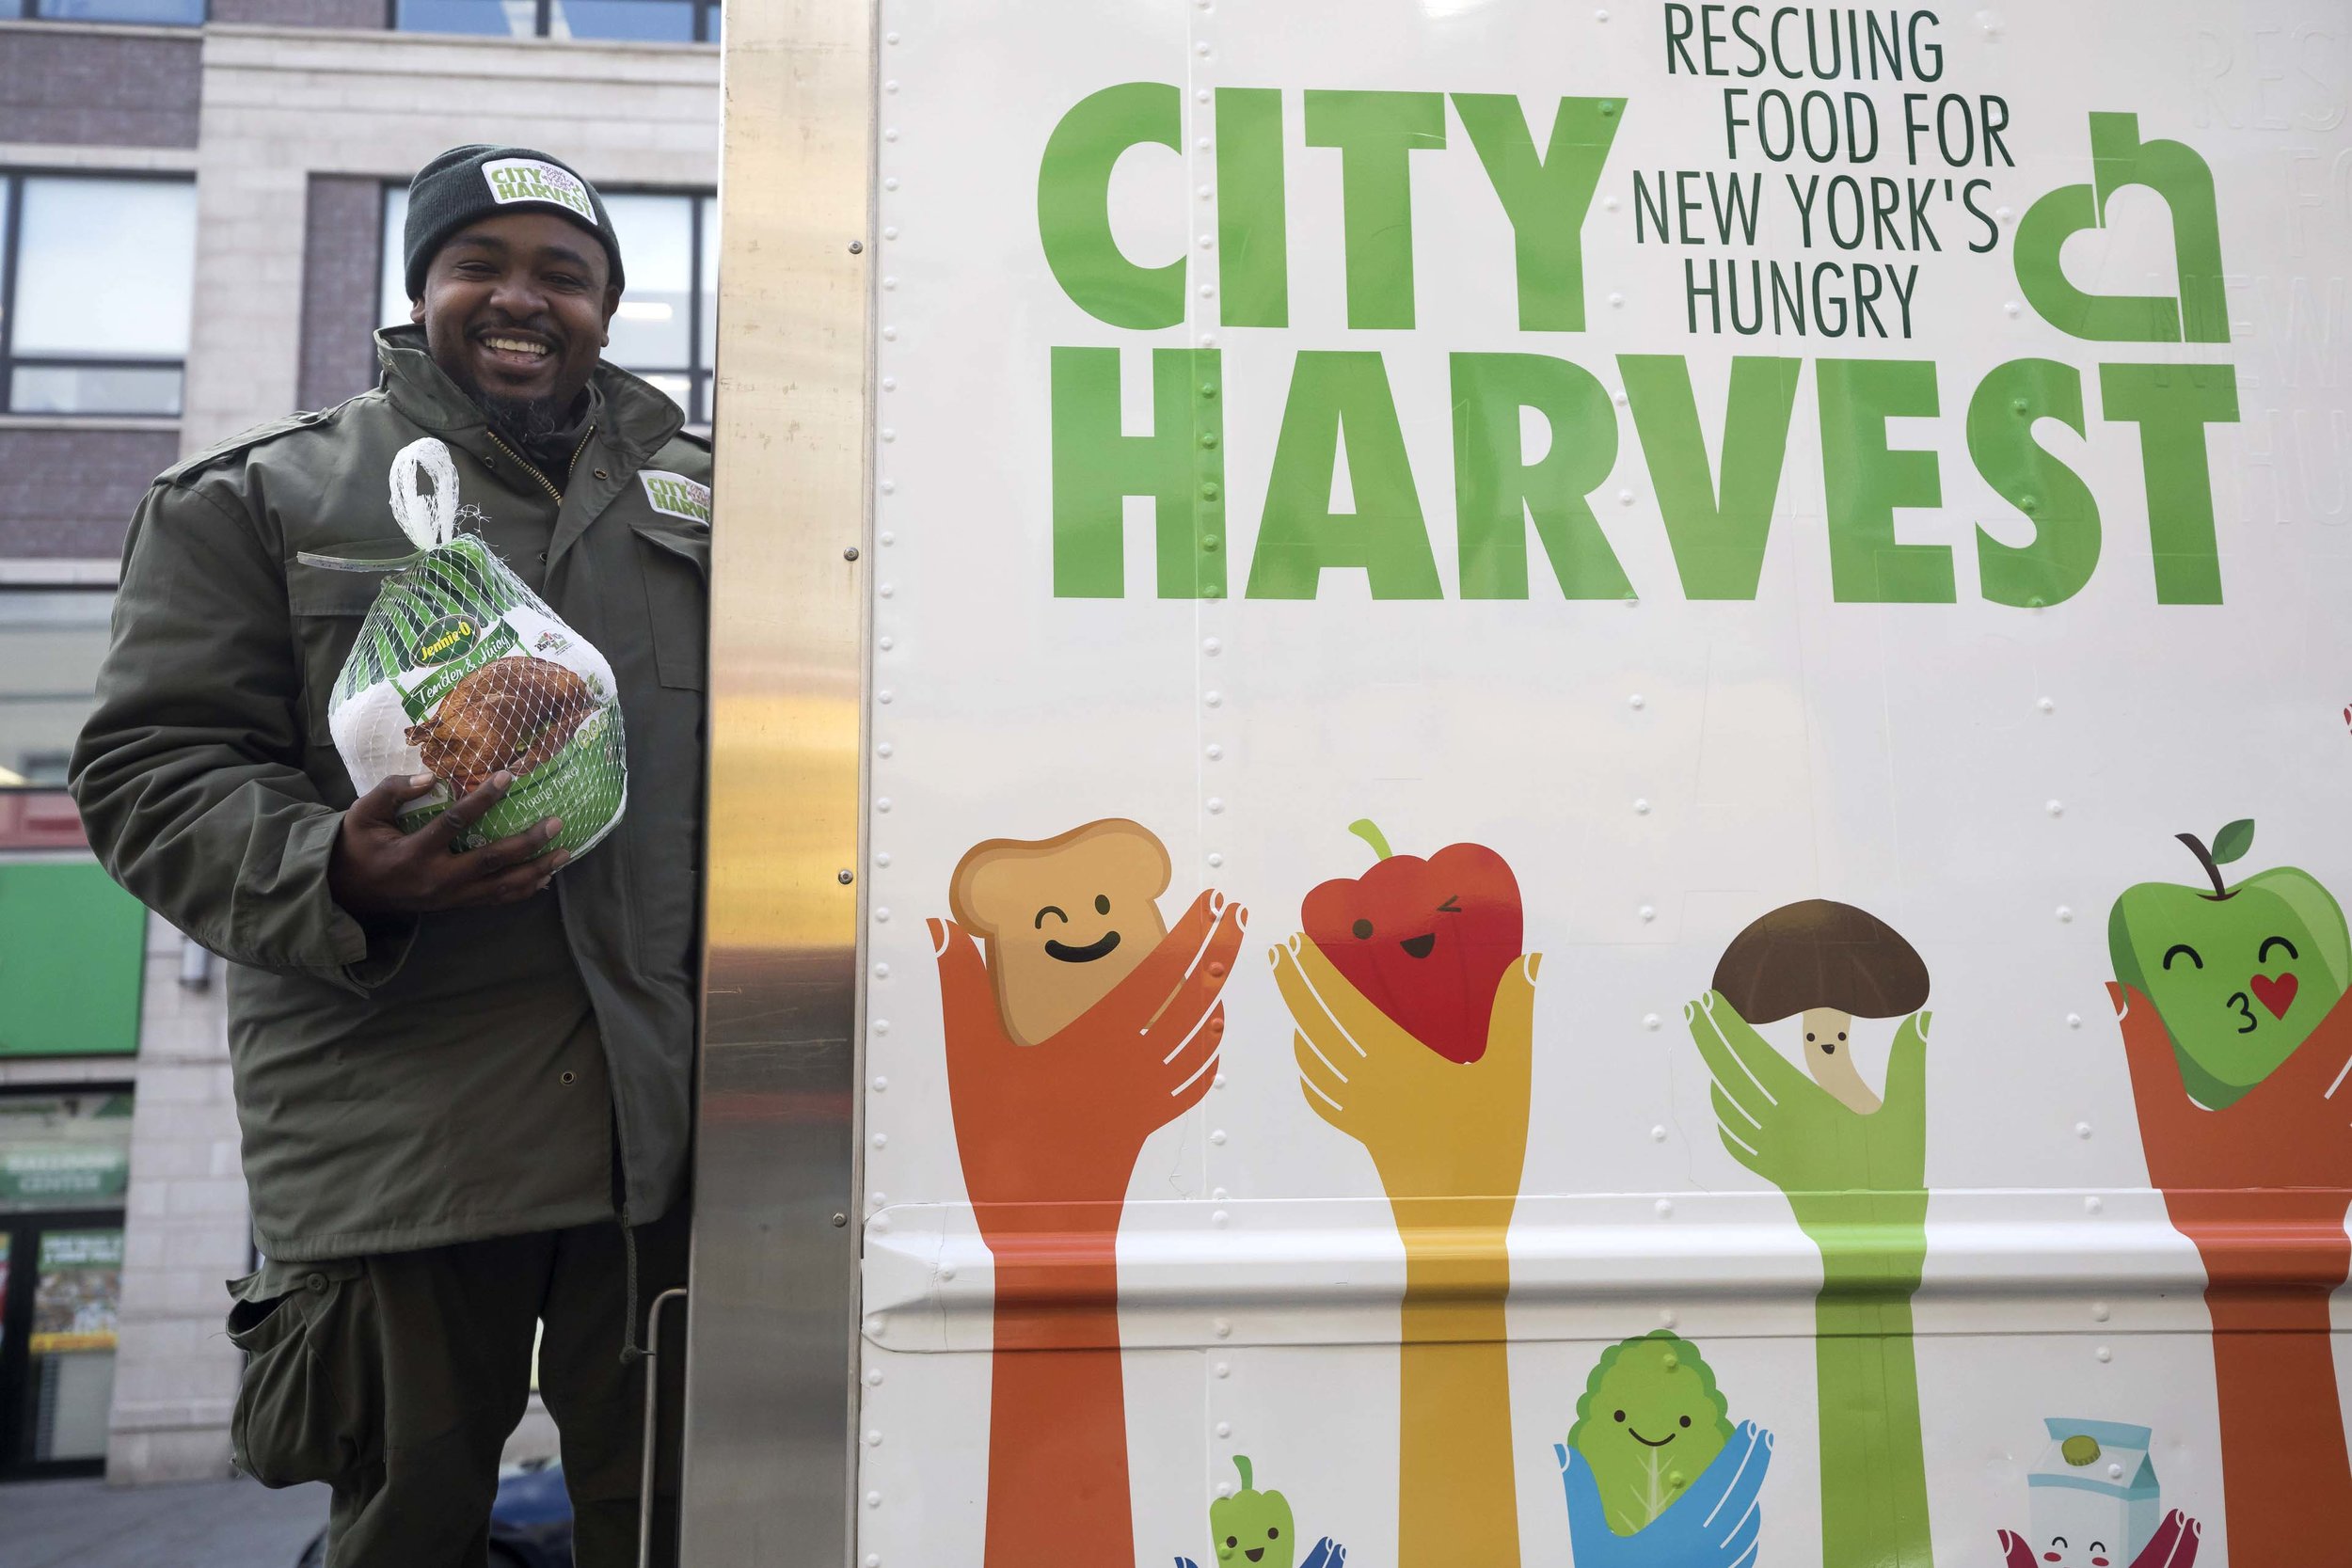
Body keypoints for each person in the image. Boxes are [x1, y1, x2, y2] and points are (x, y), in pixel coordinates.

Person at [69, 144, 709, 1568]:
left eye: (565, 272)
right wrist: (336, 871)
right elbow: (142, 771)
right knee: (406, 1532)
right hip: (405, 1135)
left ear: (609, 304)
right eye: (479, 262)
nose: (520, 298)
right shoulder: (262, 499)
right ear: (421, 289)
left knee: (676, 1523)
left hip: (661, 1139)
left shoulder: (725, 510)